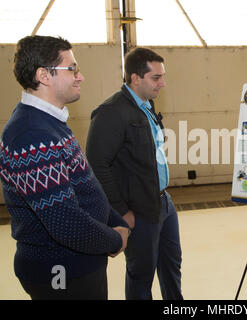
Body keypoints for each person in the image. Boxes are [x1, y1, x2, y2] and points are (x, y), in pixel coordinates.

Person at [0, 35, 130, 300]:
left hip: (77, 265)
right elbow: (65, 222)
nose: (79, 77)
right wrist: (115, 239)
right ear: (44, 75)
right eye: (72, 69)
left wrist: (117, 222)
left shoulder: (49, 123)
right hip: (60, 271)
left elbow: (84, 185)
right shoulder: (32, 135)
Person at [86, 47, 183, 300]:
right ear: (135, 78)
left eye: (163, 76)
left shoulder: (146, 105)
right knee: (141, 276)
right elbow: (97, 164)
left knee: (172, 267)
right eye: (156, 78)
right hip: (139, 211)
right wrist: (120, 210)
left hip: (163, 202)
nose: (162, 83)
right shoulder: (111, 112)